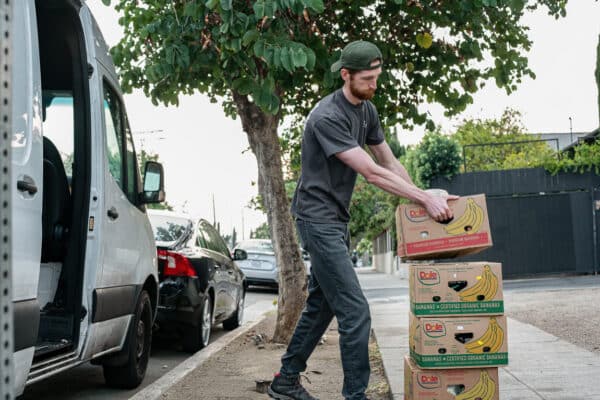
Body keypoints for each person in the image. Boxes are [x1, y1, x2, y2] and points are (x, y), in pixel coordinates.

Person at [267, 40, 457, 400]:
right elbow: (370, 172)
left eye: (377, 77)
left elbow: (388, 161)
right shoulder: (327, 117)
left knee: (322, 306)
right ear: (346, 75)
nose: (374, 84)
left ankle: (285, 381)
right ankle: (356, 395)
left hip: (336, 221)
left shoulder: (367, 111)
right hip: (315, 219)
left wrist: (423, 195)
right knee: (355, 311)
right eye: (367, 78)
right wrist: (422, 199)